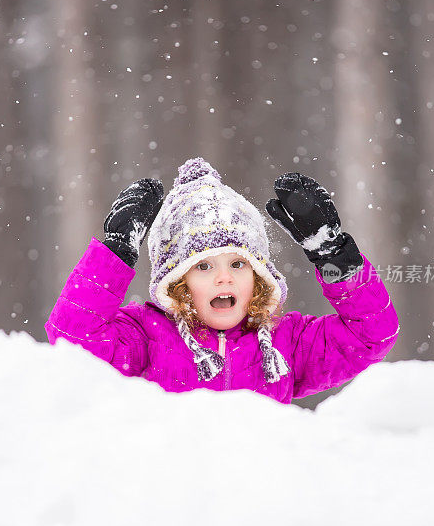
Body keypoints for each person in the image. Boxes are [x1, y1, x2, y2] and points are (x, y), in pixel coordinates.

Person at [45, 157, 399, 405]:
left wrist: (333, 255)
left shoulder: (285, 344)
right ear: (177, 283)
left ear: (259, 278)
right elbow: (73, 339)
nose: (224, 277)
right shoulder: (146, 335)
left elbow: (370, 335)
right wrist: (115, 253)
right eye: (203, 267)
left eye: (238, 264)